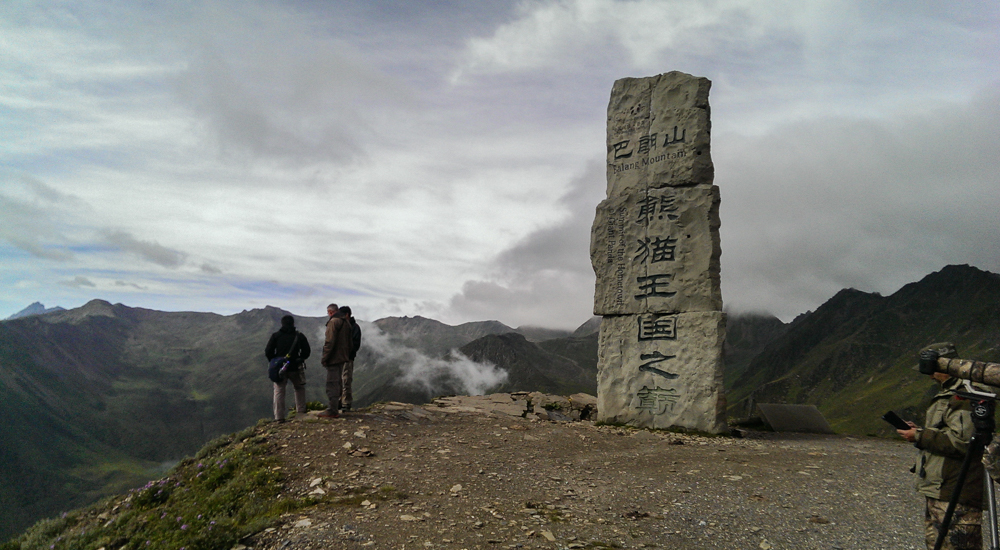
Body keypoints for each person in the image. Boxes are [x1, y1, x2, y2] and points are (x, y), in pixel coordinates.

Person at [897, 342, 984, 550]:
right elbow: (946, 433)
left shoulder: (966, 395)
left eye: (932, 370)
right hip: (939, 489)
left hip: (956, 492)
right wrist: (919, 432)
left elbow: (962, 442)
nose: (930, 376)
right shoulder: (948, 392)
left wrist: (918, 436)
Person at [264, 315, 311, 423]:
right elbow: (307, 351)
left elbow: (268, 351)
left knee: (279, 391)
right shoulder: (299, 336)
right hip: (295, 367)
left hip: (280, 369)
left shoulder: (276, 336)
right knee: (299, 388)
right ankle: (301, 412)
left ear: (282, 323)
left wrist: (275, 361)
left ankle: (279, 417)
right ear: (293, 323)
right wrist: (300, 358)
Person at [319, 303, 352, 418]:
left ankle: (332, 410)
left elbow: (329, 342)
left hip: (334, 358)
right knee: (338, 382)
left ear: (330, 312)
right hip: (342, 357)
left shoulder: (333, 322)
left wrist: (325, 357)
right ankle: (335, 407)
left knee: (332, 383)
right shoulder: (346, 322)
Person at [338, 305, 362, 412]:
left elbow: (355, 344)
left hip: (347, 358)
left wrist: (347, 353)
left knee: (346, 380)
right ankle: (339, 401)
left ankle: (346, 403)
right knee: (339, 380)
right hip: (340, 358)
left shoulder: (354, 327)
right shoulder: (343, 326)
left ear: (346, 315)